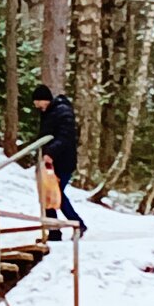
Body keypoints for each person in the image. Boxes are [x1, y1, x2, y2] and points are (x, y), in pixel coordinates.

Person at [32, 85, 87, 240]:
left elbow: (65, 137)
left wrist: (50, 153)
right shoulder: (48, 113)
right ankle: (54, 230)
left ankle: (77, 223)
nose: (36, 106)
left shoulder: (63, 112)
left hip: (63, 161)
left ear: (44, 100)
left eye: (37, 102)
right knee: (47, 195)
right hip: (50, 162)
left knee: (56, 195)